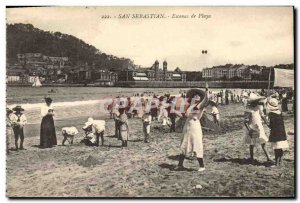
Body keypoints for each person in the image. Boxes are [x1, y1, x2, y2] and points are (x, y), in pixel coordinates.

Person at [177, 89, 209, 172]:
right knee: (184, 143)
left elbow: (206, 99)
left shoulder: (200, 105)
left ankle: (202, 166)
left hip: (195, 126)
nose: (196, 96)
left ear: (201, 98)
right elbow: (185, 114)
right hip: (188, 125)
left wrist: (207, 91)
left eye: (198, 95)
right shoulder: (191, 105)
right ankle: (180, 165)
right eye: (195, 95)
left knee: (197, 144)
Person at [244, 94, 271, 163]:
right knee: (252, 143)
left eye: (257, 101)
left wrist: (267, 122)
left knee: (263, 142)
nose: (256, 103)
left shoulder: (258, 107)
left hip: (260, 127)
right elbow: (245, 122)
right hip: (252, 127)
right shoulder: (248, 110)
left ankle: (268, 157)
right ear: (251, 102)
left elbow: (262, 116)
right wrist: (249, 129)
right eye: (255, 102)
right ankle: (251, 158)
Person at [266, 98, 289, 166]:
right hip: (281, 132)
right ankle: (281, 161)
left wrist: (266, 123)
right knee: (280, 147)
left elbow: (271, 125)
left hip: (275, 133)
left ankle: (276, 162)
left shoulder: (271, 114)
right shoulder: (279, 112)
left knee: (276, 149)